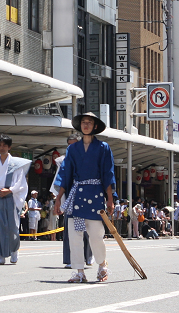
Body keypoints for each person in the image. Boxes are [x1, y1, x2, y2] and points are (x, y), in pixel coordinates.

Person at [54, 112, 116, 283]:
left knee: (96, 234)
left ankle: (102, 265)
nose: (86, 125)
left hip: (96, 194)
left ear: (95, 126)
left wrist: (110, 198)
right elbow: (65, 174)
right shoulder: (72, 149)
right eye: (83, 122)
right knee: (75, 234)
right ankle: (79, 271)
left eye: (89, 122)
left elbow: (108, 174)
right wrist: (59, 198)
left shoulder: (103, 147)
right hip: (77, 195)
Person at [0, 134, 30, 265]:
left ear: (9, 147)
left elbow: (20, 183)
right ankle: (1, 256)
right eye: (0, 145)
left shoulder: (15, 164)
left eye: (4, 145)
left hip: (10, 198)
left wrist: (10, 190)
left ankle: (14, 250)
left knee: (12, 227)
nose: (2, 148)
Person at [51, 133, 93, 268]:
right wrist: (58, 200)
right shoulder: (65, 161)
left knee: (87, 228)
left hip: (87, 196)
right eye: (69, 145)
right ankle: (71, 259)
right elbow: (61, 181)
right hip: (70, 197)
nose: (72, 147)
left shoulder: (89, 157)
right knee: (71, 228)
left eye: (74, 144)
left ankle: (88, 256)